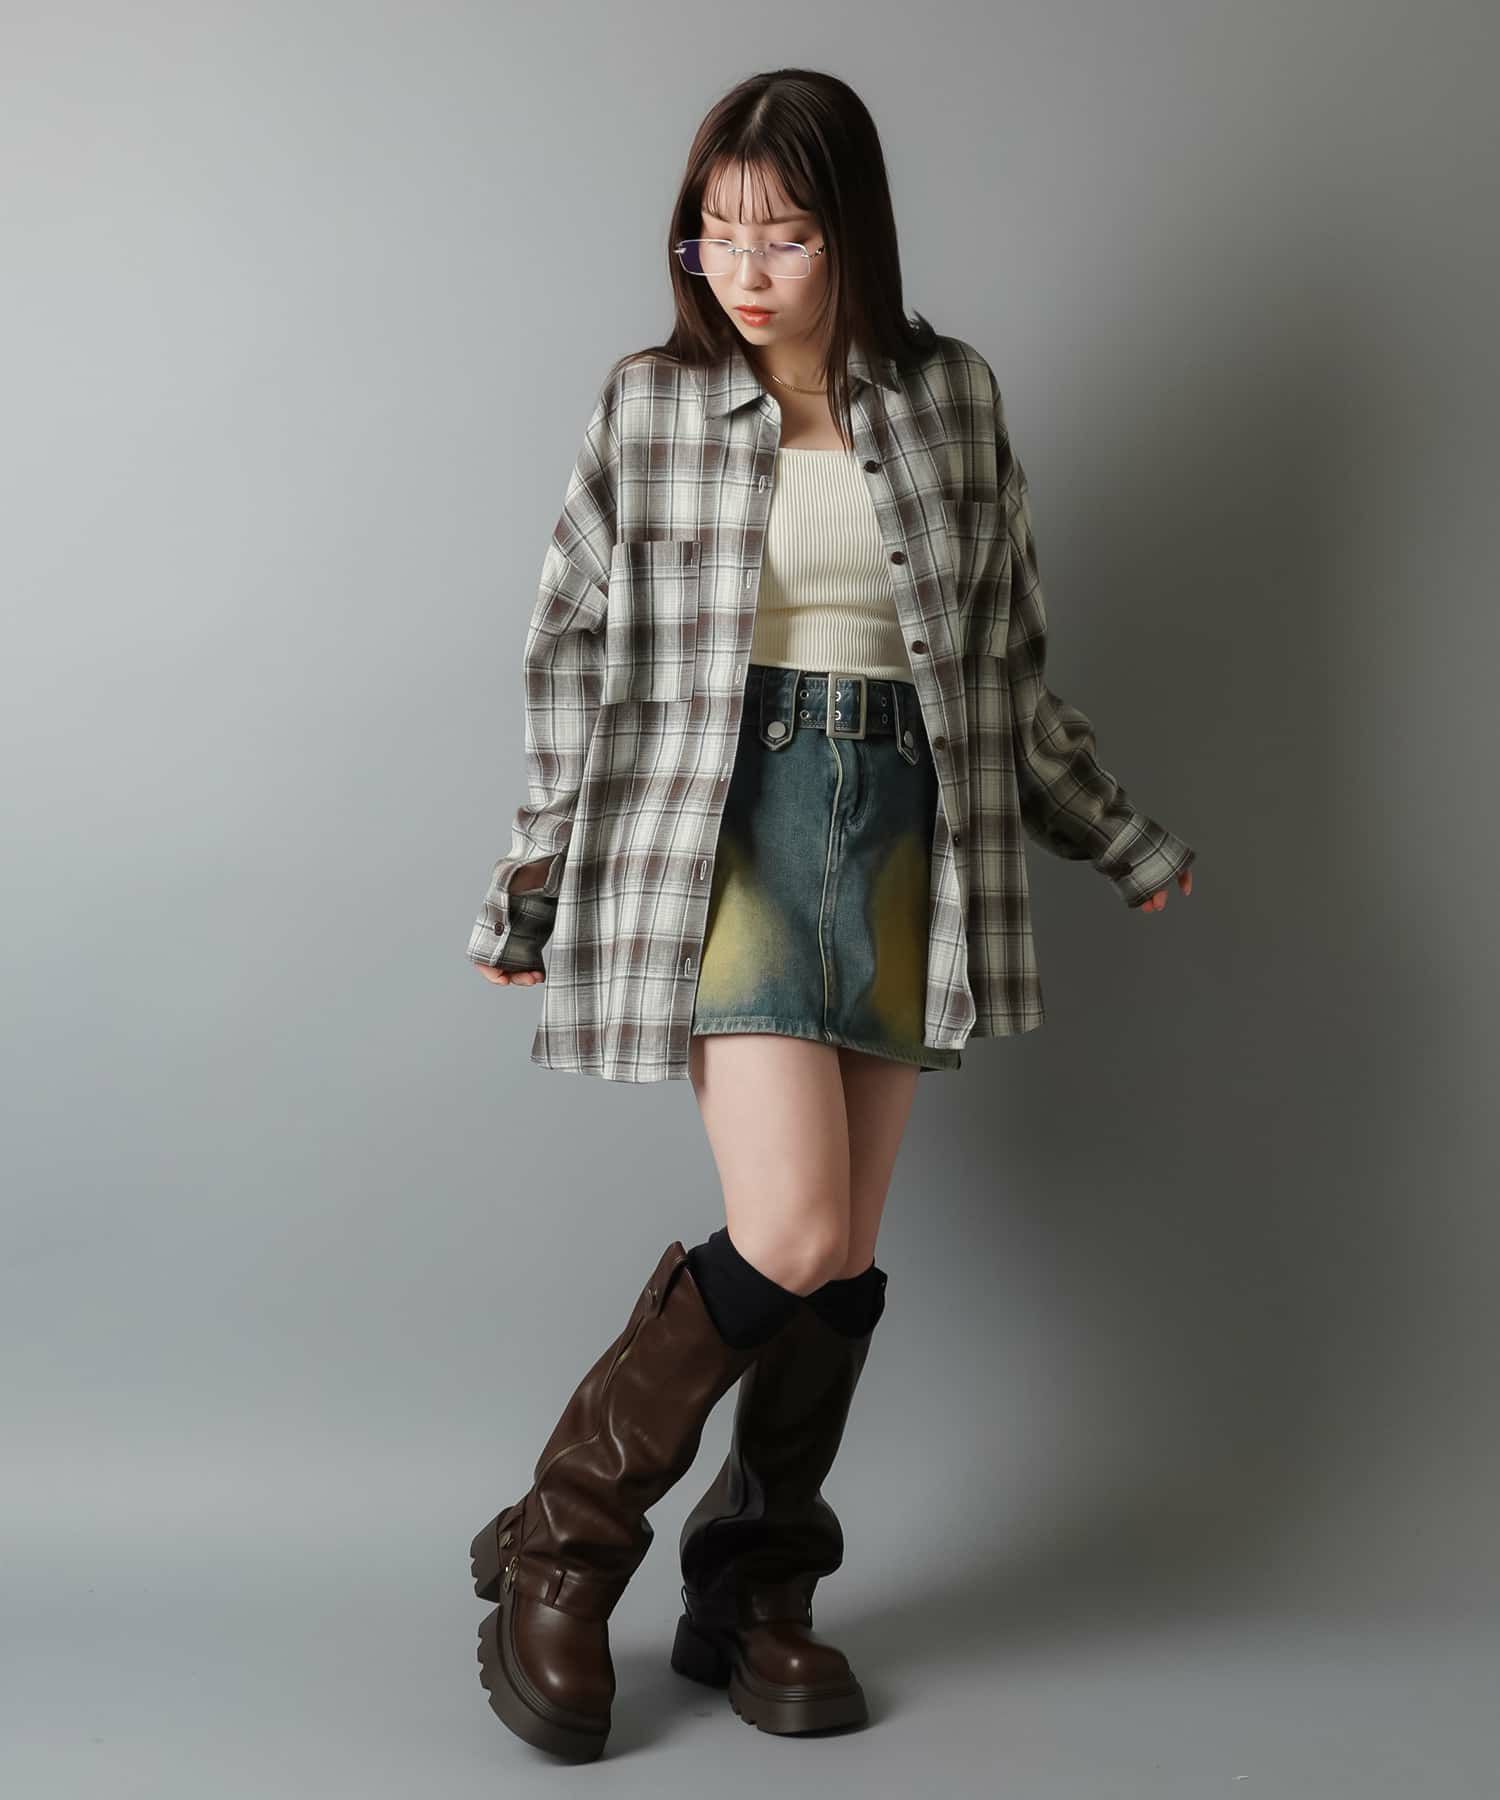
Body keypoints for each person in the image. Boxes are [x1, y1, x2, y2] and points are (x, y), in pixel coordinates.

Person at [464, 68, 1196, 1763]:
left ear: (851, 232)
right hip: (723, 827)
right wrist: (532, 882)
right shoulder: (651, 406)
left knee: (842, 1260)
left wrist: (1116, 835)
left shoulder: (949, 401)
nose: (743, 268)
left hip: (899, 828)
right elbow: (570, 659)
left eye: (783, 234)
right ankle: (559, 1548)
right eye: (714, 233)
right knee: (787, 1228)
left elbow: (1005, 666)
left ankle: (756, 1589)